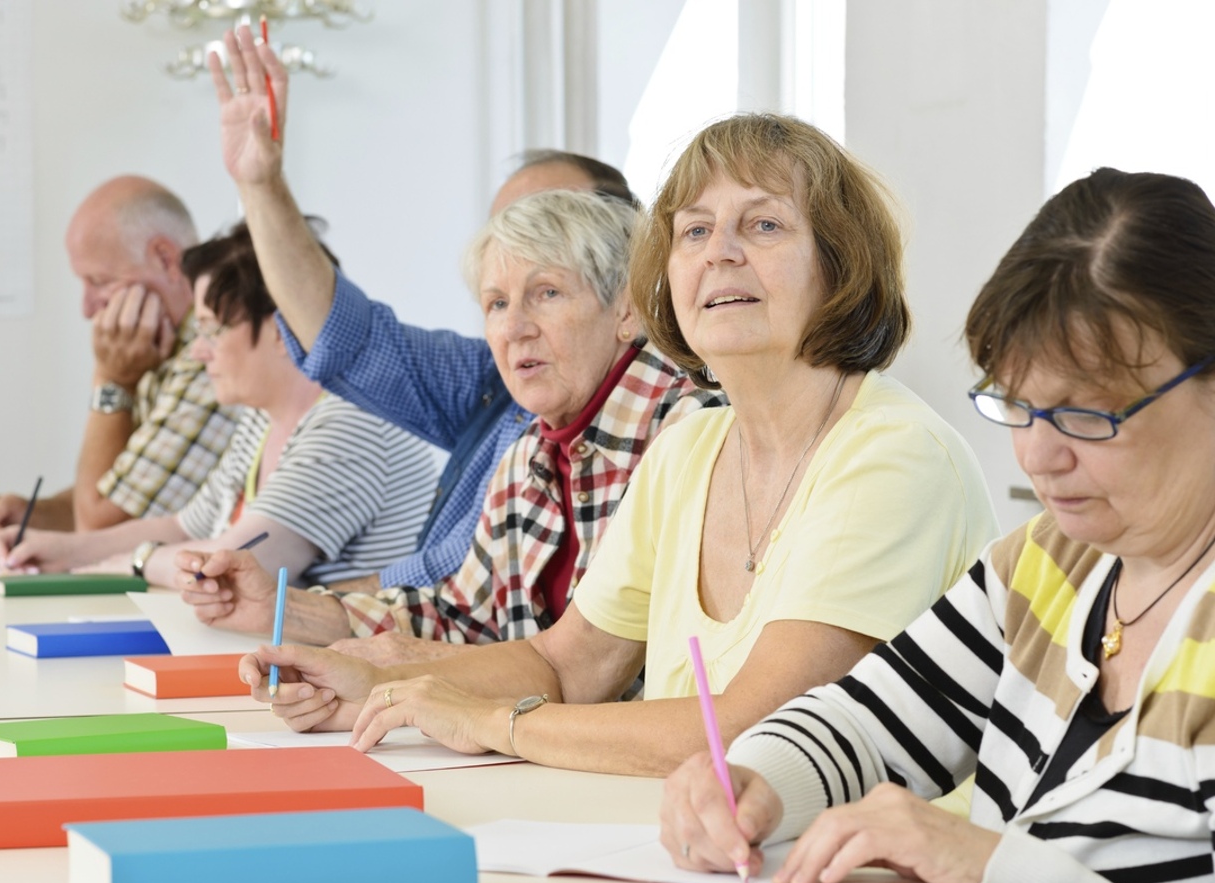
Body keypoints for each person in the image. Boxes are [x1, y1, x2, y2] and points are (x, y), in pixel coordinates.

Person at [231, 114, 998, 778]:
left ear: (842, 267)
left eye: (763, 225)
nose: (719, 253)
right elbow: (568, 663)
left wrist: (494, 722)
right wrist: (371, 686)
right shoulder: (691, 446)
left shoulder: (892, 453)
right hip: (692, 843)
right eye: (694, 230)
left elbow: (755, 732)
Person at [658, 168, 1215, 883]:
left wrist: (996, 867)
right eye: (1019, 404)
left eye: (1088, 415)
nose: (1039, 456)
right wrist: (751, 781)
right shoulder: (1050, 568)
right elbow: (869, 723)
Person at [176, 188, 722, 662]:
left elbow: (598, 676)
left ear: (627, 311)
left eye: (547, 293)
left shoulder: (692, 433)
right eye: (496, 303)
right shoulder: (529, 452)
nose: (514, 328)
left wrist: (415, 684)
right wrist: (280, 608)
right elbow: (460, 619)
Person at [207, 24, 636, 593]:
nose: (515, 321)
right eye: (502, 243)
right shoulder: (494, 377)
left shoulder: (667, 416)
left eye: (551, 232)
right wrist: (259, 185)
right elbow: (348, 340)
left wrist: (323, 608)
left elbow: (478, 604)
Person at [0, 222, 436, 589]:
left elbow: (229, 569)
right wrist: (62, 550)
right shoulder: (263, 418)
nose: (199, 351)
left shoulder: (349, 423)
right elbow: (185, 528)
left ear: (284, 327)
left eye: (212, 330)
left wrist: (138, 560)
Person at [0, 176, 239, 541]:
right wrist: (29, 514)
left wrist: (111, 379)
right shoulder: (162, 350)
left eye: (100, 281)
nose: (87, 308)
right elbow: (124, 493)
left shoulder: (212, 356)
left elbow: (101, 530)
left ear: (166, 259)